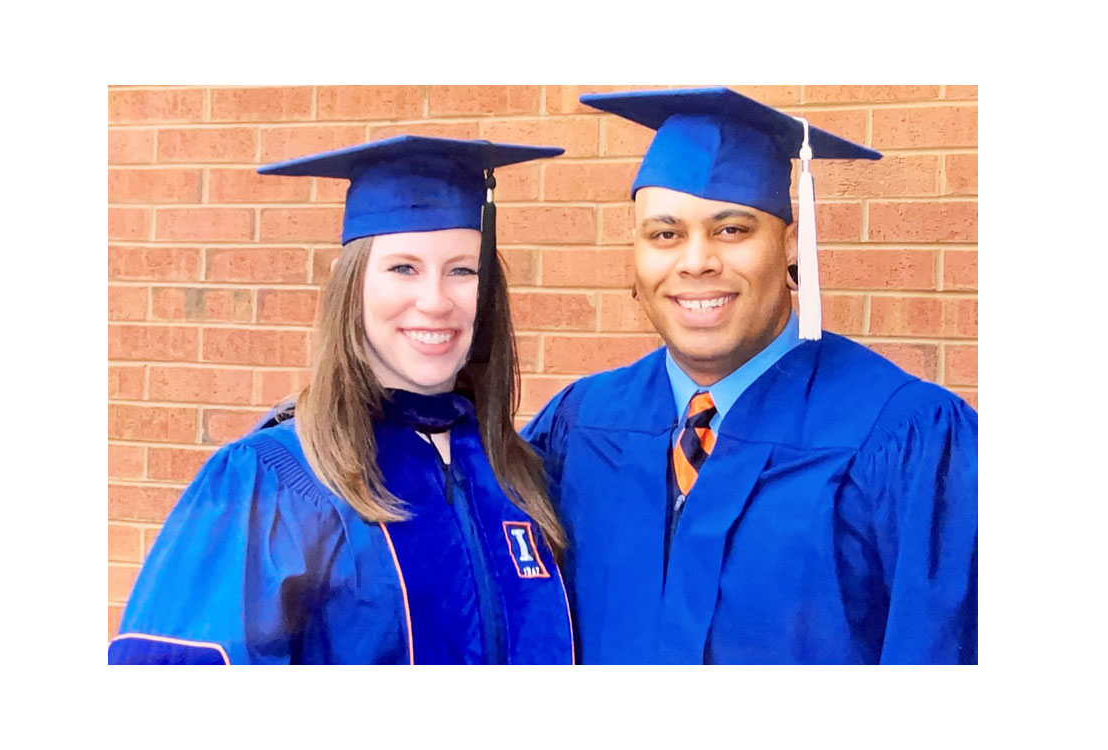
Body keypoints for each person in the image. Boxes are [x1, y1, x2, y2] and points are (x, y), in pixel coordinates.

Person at [523, 88, 978, 665]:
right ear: (634, 255)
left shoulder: (908, 439)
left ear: (790, 246)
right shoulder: (580, 425)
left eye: (731, 230)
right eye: (665, 235)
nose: (695, 262)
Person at [109, 136, 575, 664]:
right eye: (403, 267)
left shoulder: (519, 475)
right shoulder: (274, 482)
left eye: (462, 270)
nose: (435, 300)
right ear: (349, 285)